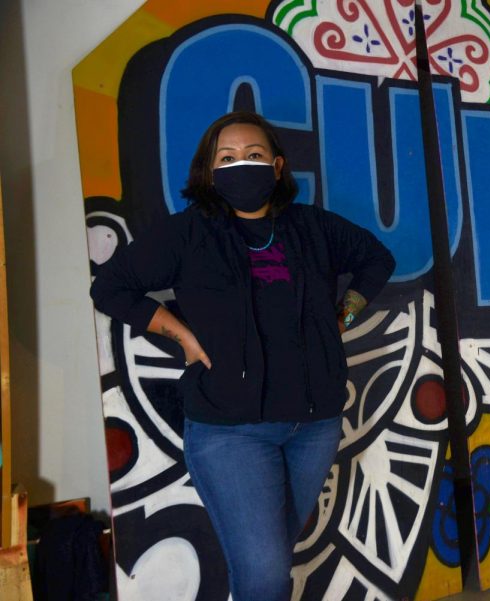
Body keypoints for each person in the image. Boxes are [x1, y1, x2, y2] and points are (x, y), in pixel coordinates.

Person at [90, 111, 396, 599]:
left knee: (269, 561)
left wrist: (346, 315)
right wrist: (180, 334)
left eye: (253, 155)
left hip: (314, 426)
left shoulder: (311, 226)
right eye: (227, 158)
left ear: (276, 167)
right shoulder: (187, 233)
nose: (241, 164)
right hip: (230, 433)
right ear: (210, 173)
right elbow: (110, 288)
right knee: (265, 574)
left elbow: (377, 259)